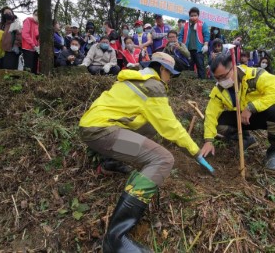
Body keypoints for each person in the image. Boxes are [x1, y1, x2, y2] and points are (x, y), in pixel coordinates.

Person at [79, 52, 207, 252]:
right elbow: (171, 126)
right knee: (163, 159)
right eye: (170, 74)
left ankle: (109, 162)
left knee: (151, 126)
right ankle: (115, 238)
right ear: (163, 69)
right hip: (103, 133)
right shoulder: (153, 86)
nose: (170, 79)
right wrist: (195, 151)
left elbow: (156, 123)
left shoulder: (135, 78)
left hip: (93, 129)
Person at [201, 53, 275, 170]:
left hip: (262, 115)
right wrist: (208, 140)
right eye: (217, 78)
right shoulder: (219, 89)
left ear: (233, 67)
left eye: (223, 76)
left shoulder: (255, 76)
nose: (221, 81)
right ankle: (246, 139)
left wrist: (251, 107)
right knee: (217, 121)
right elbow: (211, 114)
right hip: (241, 119)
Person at [179, 7, 210, 79]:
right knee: (190, 66)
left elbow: (206, 34)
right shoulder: (186, 25)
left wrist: (206, 45)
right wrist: (181, 45)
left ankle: (202, 82)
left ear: (198, 15)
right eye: (191, 15)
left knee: (200, 66)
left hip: (199, 50)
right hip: (187, 50)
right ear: (189, 16)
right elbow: (180, 35)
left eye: (195, 15)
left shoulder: (202, 24)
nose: (193, 17)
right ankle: (191, 82)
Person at [21, 9, 39, 74]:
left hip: (36, 49)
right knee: (28, 67)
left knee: (35, 67)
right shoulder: (28, 20)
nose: (37, 16)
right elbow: (25, 34)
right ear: (33, 15)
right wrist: (33, 44)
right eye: (36, 14)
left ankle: (33, 82)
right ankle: (26, 81)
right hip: (28, 48)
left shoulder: (39, 25)